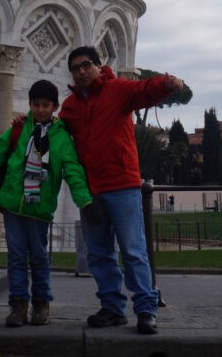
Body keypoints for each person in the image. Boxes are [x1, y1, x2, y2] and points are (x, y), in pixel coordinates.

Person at [59, 47, 183, 336]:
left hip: (122, 184)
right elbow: (55, 134)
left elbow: (143, 91)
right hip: (90, 190)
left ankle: (146, 310)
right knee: (99, 253)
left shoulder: (117, 90)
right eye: (75, 68)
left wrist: (165, 84)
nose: (80, 71)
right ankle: (113, 308)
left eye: (85, 65)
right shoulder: (70, 106)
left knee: (133, 250)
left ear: (98, 66)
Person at [0, 79, 92, 328]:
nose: (41, 109)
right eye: (36, 104)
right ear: (30, 104)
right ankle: (18, 304)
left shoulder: (62, 138)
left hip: (39, 208)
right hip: (12, 204)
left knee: (40, 257)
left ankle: (41, 303)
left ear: (54, 106)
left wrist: (84, 200)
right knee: (16, 256)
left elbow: (73, 170)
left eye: (46, 105)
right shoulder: (19, 129)